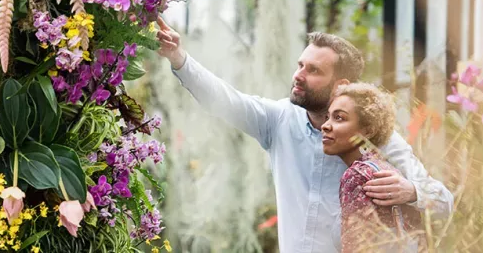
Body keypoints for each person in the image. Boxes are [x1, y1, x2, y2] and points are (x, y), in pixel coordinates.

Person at [155, 17, 453, 253]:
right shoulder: (279, 119)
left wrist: (411, 191)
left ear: (340, 85)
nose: (298, 75)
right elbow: (225, 100)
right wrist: (179, 58)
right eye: (300, 65)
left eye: (313, 70)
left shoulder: (377, 138)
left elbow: (444, 202)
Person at [322, 83, 423, 252]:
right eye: (328, 117)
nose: (325, 126)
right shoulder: (386, 169)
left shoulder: (357, 176)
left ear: (367, 131)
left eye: (339, 118)